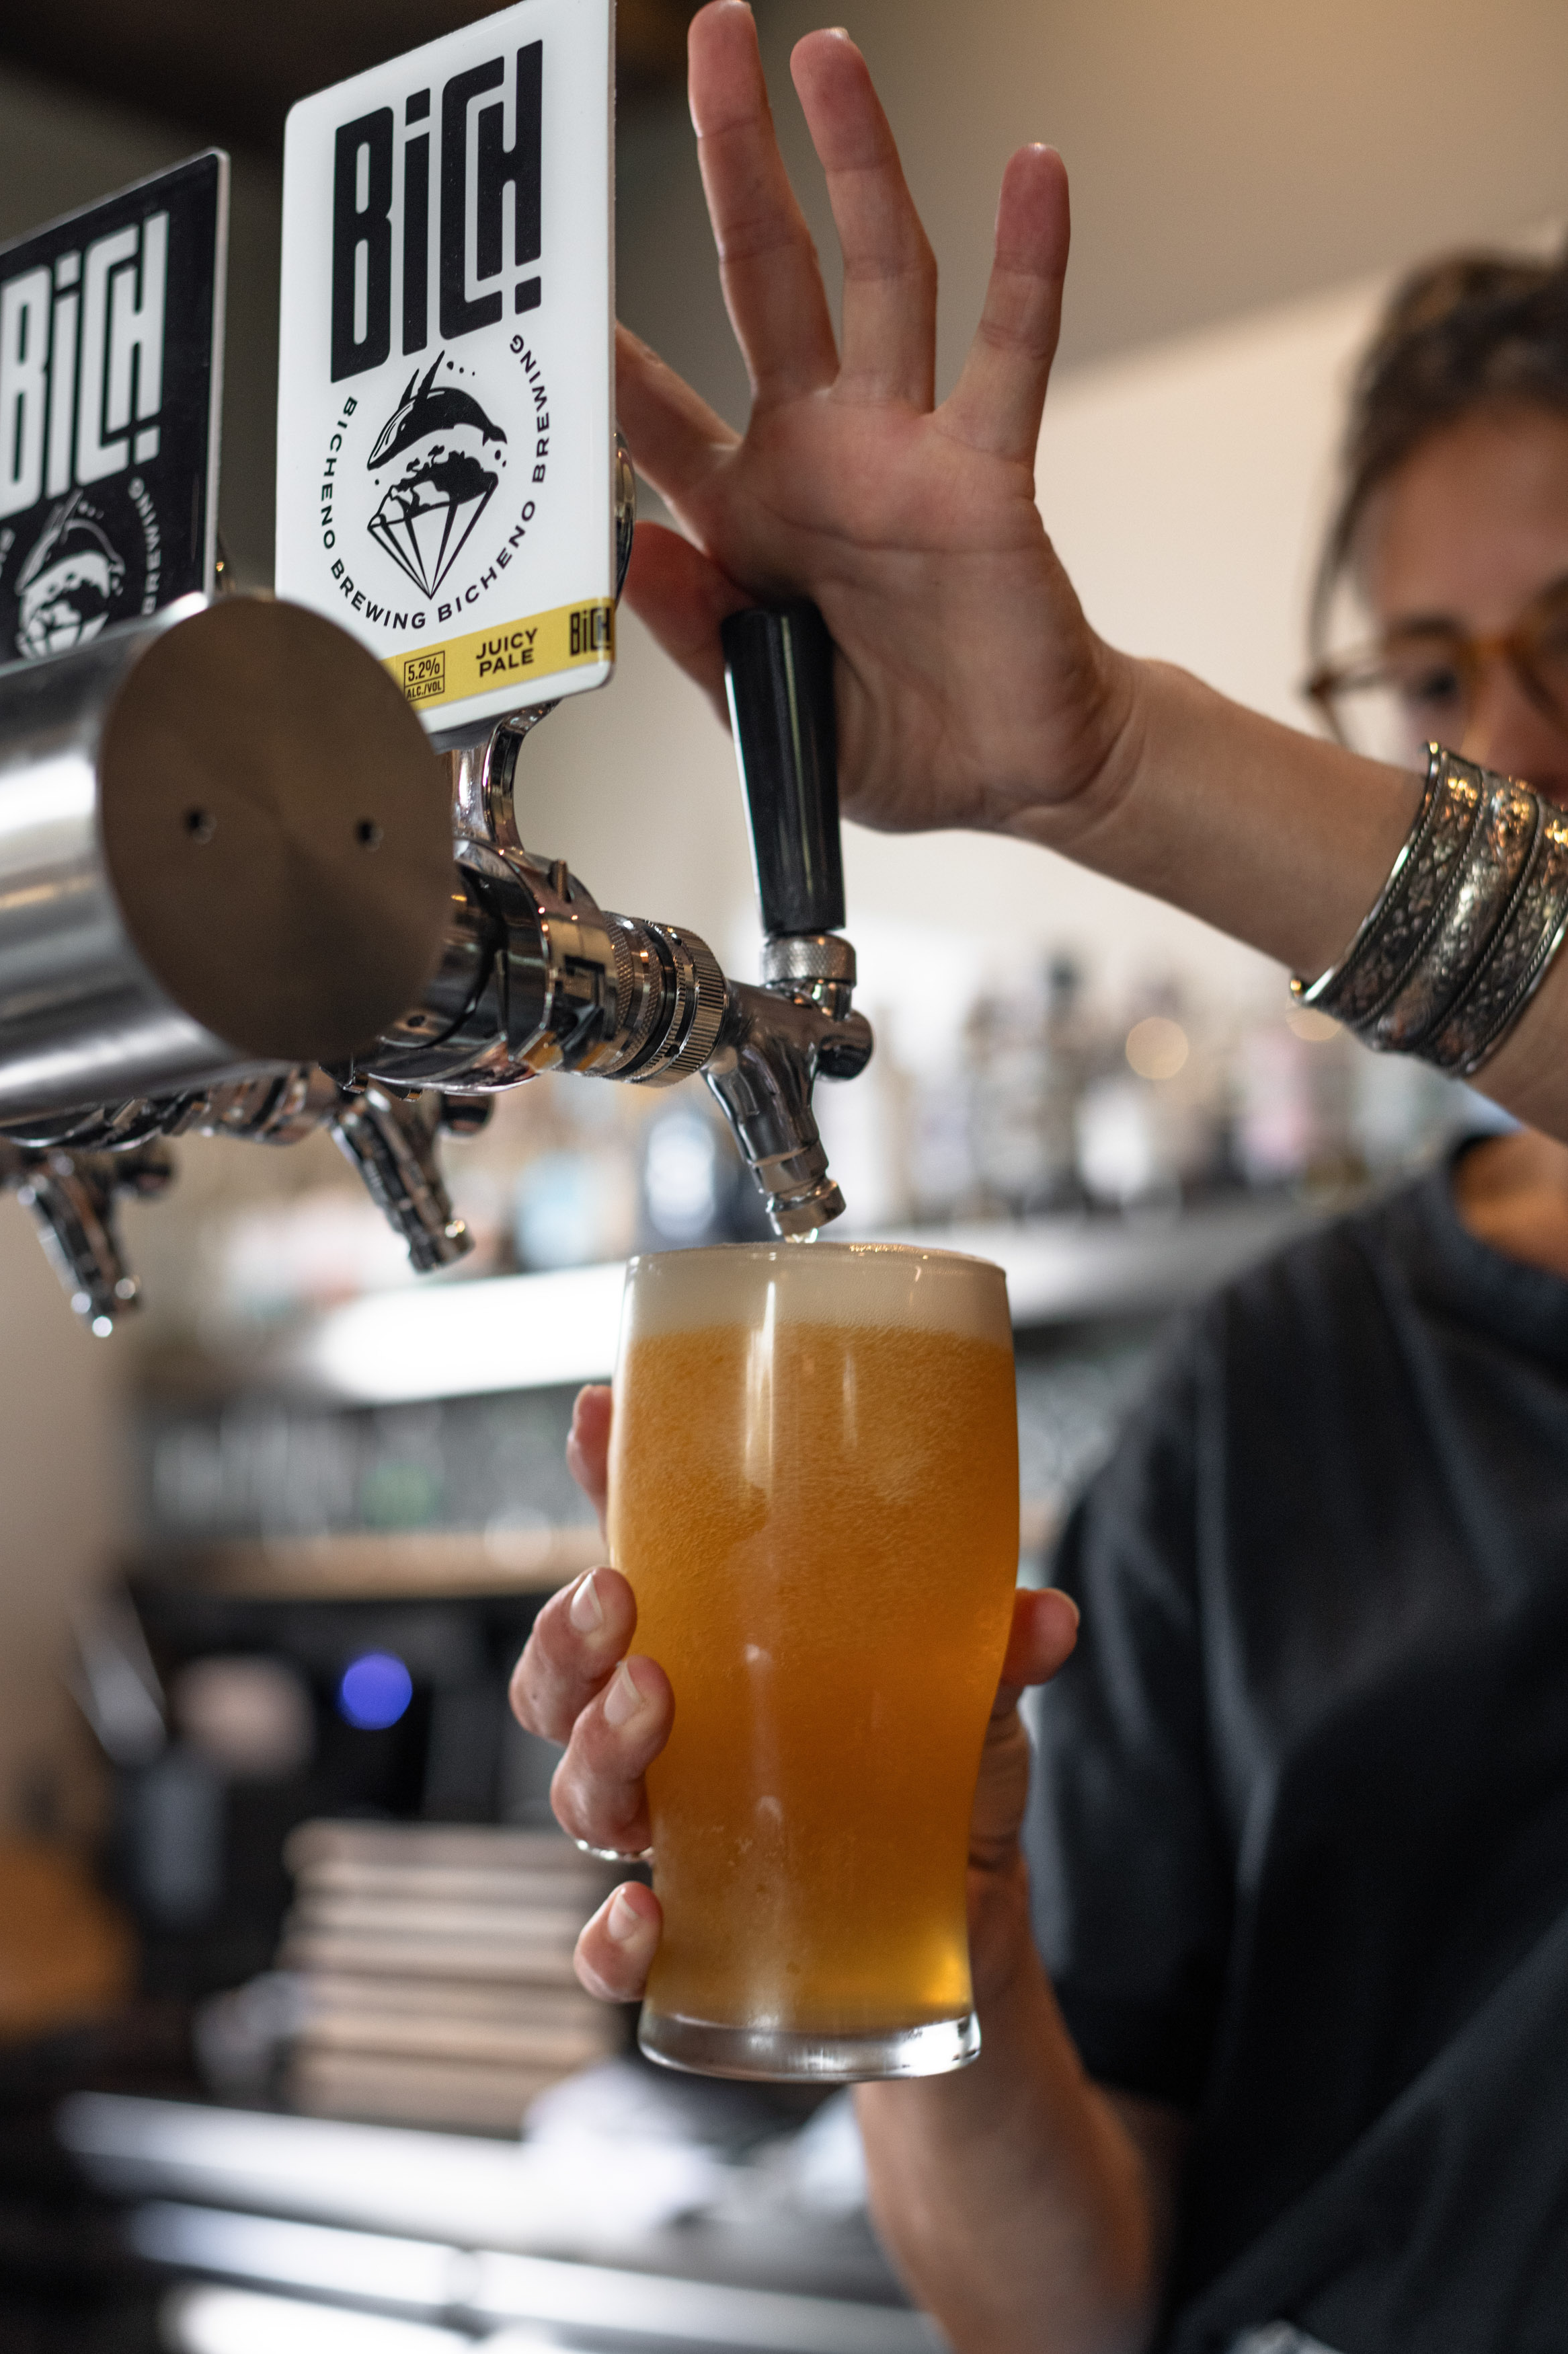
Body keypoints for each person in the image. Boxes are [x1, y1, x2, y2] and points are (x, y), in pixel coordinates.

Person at [510, 8, 1568, 2349]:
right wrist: (942, 1915)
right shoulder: (1267, 1401)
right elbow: (1057, 2306)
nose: (1502, 745)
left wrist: (1099, 760)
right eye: (1429, 677)